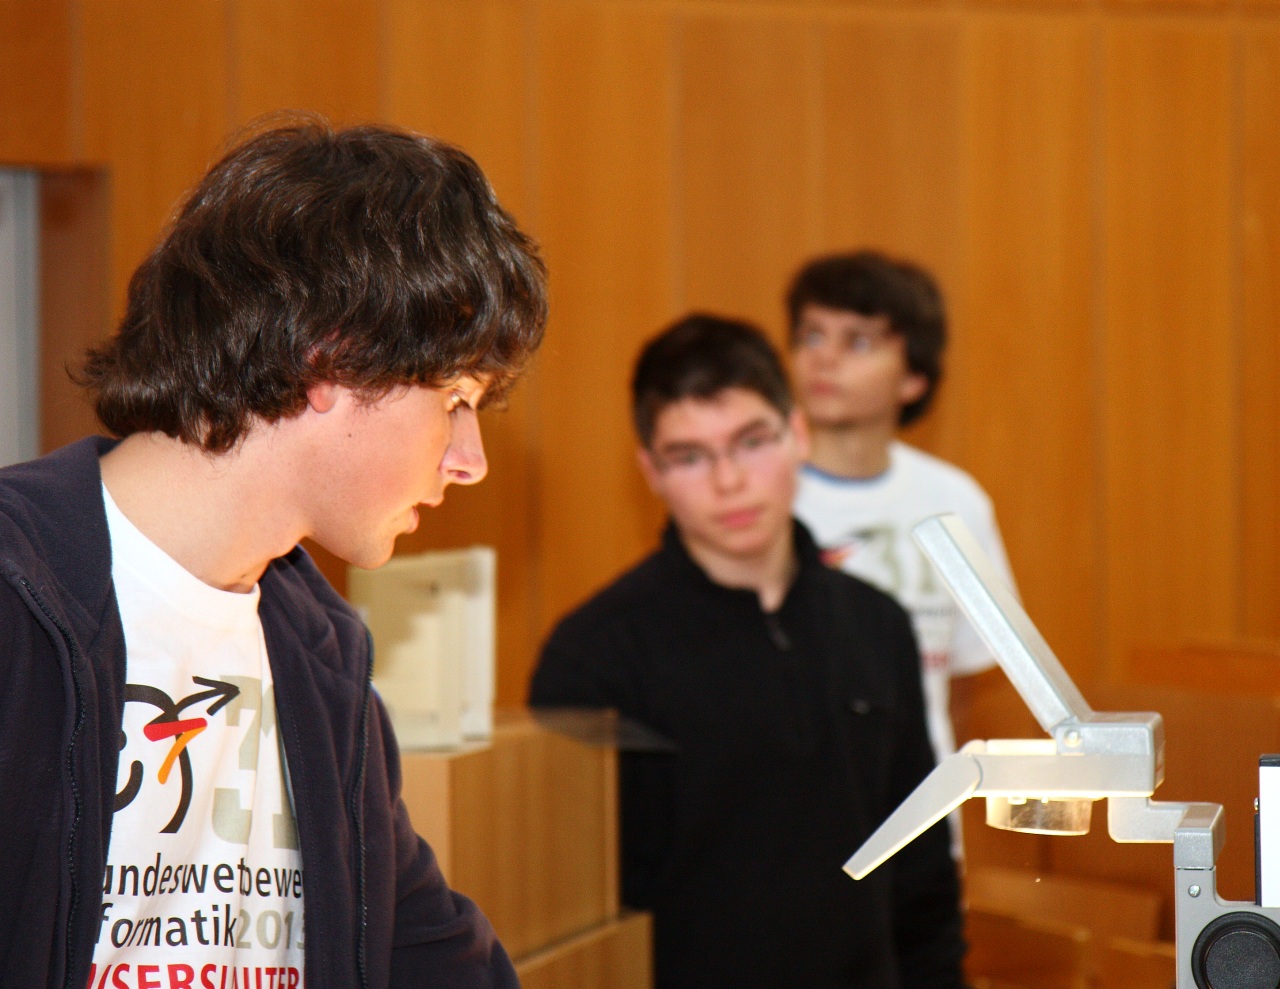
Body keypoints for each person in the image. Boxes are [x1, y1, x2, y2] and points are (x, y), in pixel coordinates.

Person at [0, 117, 546, 989]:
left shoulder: (322, 654)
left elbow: (433, 958)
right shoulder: (18, 596)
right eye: (454, 399)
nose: (469, 460)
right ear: (331, 359)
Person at [529, 315, 965, 989]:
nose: (729, 481)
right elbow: (570, 911)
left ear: (798, 435)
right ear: (650, 471)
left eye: (752, 441)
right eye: (690, 456)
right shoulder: (594, 653)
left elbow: (922, 869)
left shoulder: (878, 624)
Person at [788, 250, 1018, 764]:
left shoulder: (956, 501)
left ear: (914, 376)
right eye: (812, 336)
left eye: (858, 342)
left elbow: (962, 686)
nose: (825, 359)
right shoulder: (756, 498)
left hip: (921, 797)